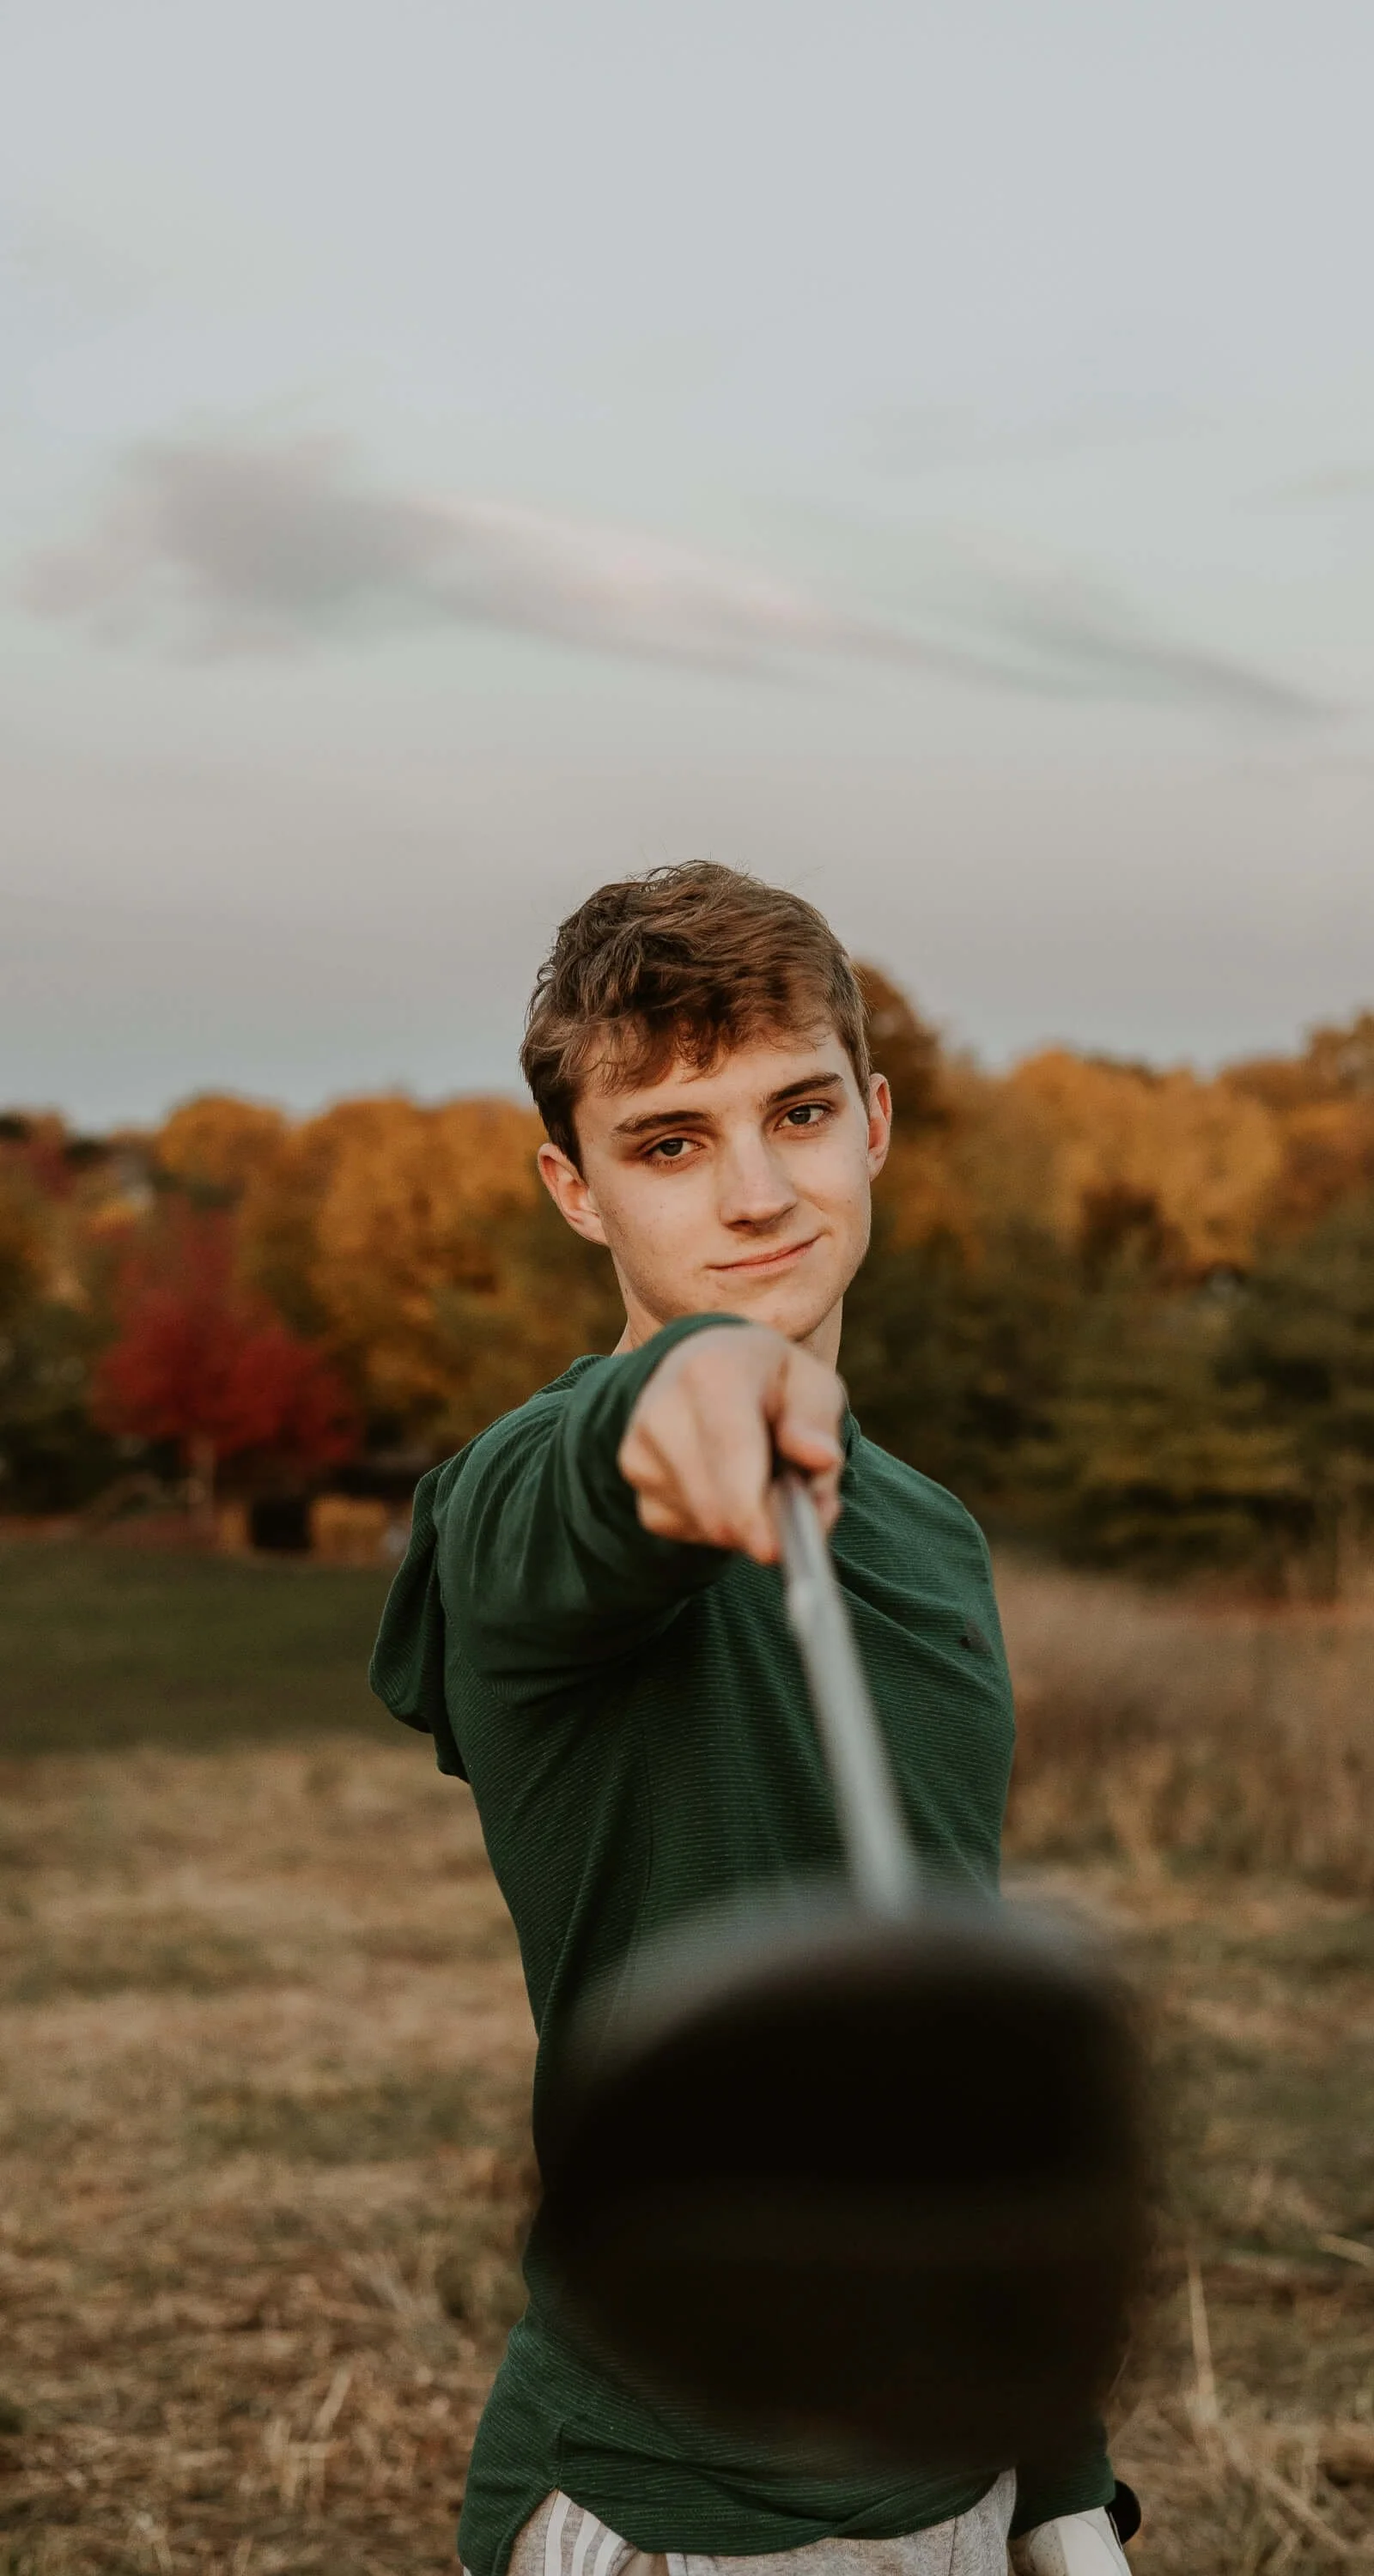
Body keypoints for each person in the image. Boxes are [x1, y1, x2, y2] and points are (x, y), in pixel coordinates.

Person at [371, 864, 1138, 2576]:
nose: (757, 1192)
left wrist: (1058, 2475)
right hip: (672, 2494)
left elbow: (941, 2035)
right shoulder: (527, 1495)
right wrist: (692, 1376)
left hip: (956, 2462)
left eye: (797, 1112)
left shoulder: (932, 1534)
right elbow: (578, 1494)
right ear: (577, 1193)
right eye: (669, 1142)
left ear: (875, 1122)